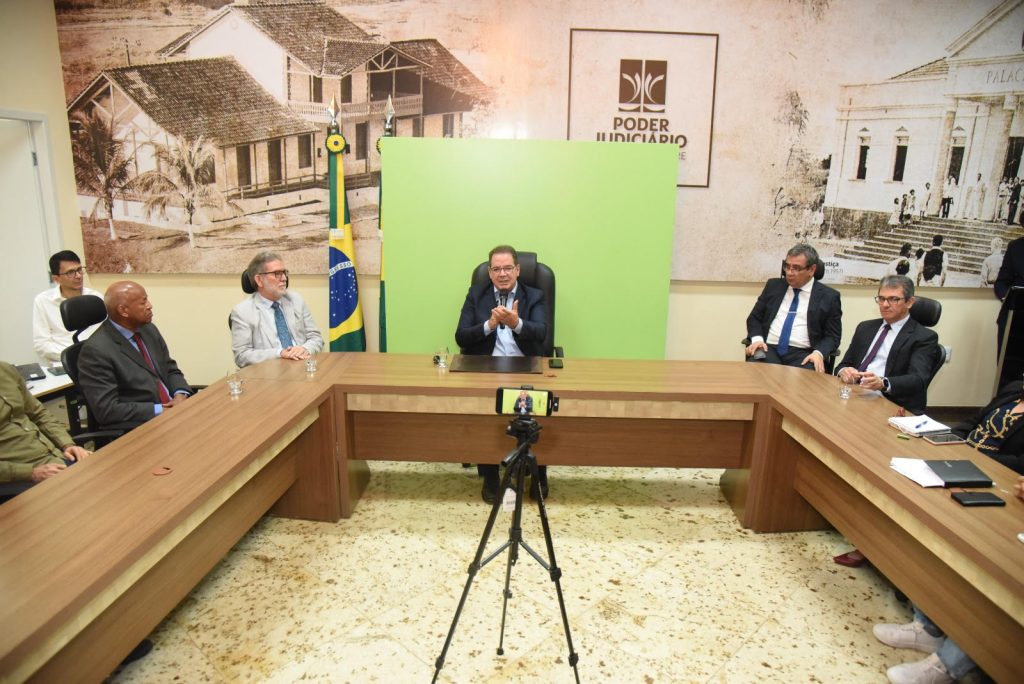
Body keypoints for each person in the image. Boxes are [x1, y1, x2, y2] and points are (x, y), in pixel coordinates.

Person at [455, 245, 548, 502]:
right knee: (484, 410)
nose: (502, 274)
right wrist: (490, 324)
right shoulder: (476, 294)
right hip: (487, 366)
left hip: (525, 365)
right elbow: (461, 336)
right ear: (489, 272)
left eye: (508, 268)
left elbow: (542, 332)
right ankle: (490, 475)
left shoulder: (535, 295)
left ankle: (539, 473)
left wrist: (516, 323)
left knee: (539, 407)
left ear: (518, 270)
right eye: (496, 269)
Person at [78, 281, 191, 431]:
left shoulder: (148, 329)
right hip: (144, 425)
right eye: (143, 302)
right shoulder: (96, 351)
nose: (150, 306)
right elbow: (107, 409)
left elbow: (169, 368)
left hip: (176, 412)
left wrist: (180, 394)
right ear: (123, 310)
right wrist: (160, 410)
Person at [835, 276, 940, 415]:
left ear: (909, 302)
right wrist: (844, 371)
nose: (885, 304)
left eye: (893, 299)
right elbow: (843, 364)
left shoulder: (924, 337)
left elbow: (918, 379)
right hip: (855, 394)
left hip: (890, 402)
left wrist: (883, 383)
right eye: (881, 298)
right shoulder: (865, 327)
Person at [744, 244, 842, 372]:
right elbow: (754, 318)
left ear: (812, 269)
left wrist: (819, 353)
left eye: (796, 268)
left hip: (804, 354)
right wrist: (757, 340)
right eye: (787, 266)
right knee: (757, 369)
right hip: (768, 348)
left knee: (807, 376)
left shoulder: (829, 297)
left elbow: (833, 336)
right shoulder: (773, 286)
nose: (789, 273)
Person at [1, 361, 90, 497]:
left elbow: (39, 414)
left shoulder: (5, 370)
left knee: (106, 477)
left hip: (55, 458)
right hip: (17, 478)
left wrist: (67, 445)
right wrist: (30, 473)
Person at [230, 252, 324, 367]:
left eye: (284, 273)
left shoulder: (296, 300)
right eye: (277, 274)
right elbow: (241, 356)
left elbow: (316, 338)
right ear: (259, 280)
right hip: (269, 372)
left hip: (303, 366)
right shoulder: (242, 312)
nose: (284, 278)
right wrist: (280, 353)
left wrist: (304, 348)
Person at [32, 250, 102, 364]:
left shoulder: (95, 298)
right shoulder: (43, 301)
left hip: (95, 359)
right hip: (62, 362)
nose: (78, 276)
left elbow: (105, 335)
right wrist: (72, 355)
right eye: (71, 272)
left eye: (79, 270)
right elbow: (42, 344)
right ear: (56, 278)